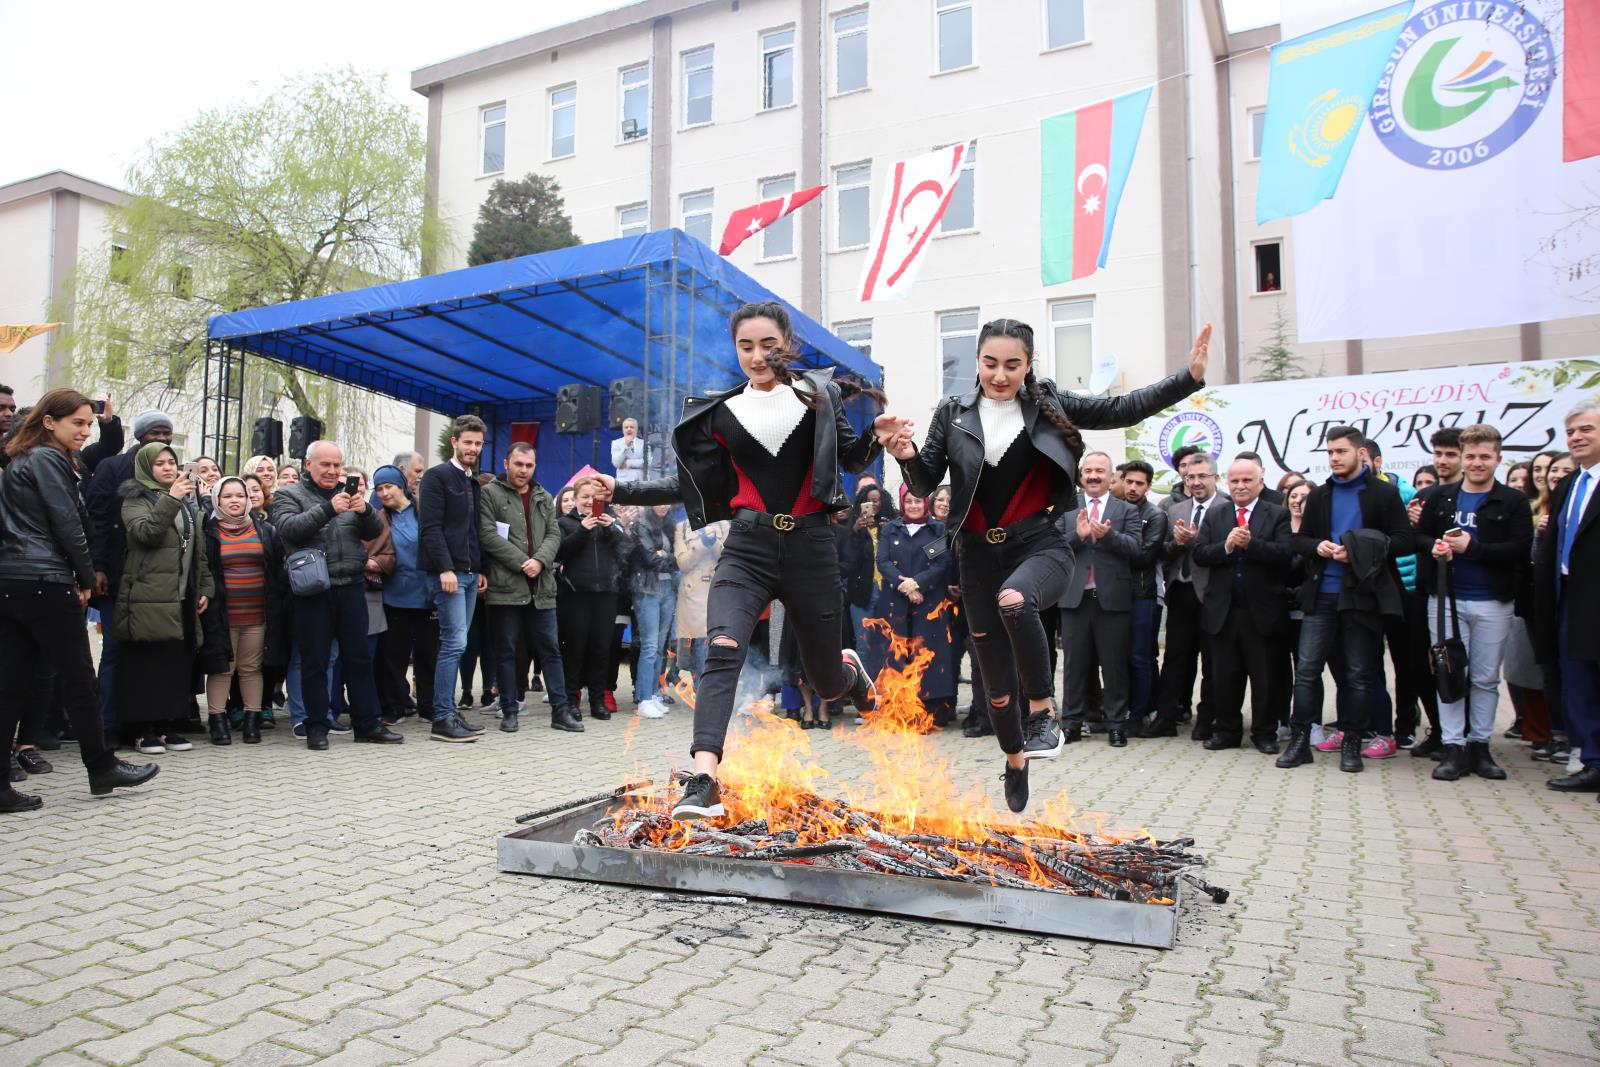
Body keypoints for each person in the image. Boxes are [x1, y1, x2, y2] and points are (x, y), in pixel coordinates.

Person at [885, 317, 1210, 812]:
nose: (1000, 375)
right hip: (975, 556)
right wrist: (906, 455)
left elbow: (1121, 407)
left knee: (1015, 602)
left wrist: (1186, 378)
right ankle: (1015, 761)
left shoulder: (1049, 401)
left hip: (1040, 544)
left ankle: (1043, 713)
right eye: (990, 363)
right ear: (977, 361)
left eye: (1012, 365)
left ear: (1029, 364)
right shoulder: (952, 414)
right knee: (995, 688)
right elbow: (926, 482)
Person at [600, 300, 890, 821]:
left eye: (767, 345)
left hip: (812, 550)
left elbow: (850, 458)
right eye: (745, 346)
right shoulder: (720, 413)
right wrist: (620, 486)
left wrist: (879, 437)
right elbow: (686, 486)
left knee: (824, 682)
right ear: (736, 349)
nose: (756, 356)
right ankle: (705, 777)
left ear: (786, 343)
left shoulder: (818, 397)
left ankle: (846, 669)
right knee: (723, 648)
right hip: (748, 547)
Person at [0, 390, 159, 811]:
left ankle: (1, 785)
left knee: (11, 683)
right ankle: (101, 765)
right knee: (78, 678)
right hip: (44, 578)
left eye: (90, 423)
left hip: (13, 579)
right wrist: (87, 578)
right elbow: (67, 522)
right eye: (78, 423)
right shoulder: (48, 460)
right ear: (49, 422)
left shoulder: (21, 459)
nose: (85, 431)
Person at [1276, 425, 1411, 773]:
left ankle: (1352, 741)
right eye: (1330, 452)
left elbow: (1403, 539)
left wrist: (1360, 550)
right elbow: (1300, 539)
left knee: (1358, 674)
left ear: (1360, 453)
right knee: (1306, 670)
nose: (1334, 458)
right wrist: (1316, 546)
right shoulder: (1320, 495)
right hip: (1321, 594)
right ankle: (1301, 741)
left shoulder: (1383, 494)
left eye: (1341, 452)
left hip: (1362, 597)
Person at [1413, 424, 1530, 781]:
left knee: (1484, 678)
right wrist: (1432, 547)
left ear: (1497, 458)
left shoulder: (1512, 501)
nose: (1477, 463)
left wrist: (1473, 548)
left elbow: (1519, 550)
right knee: (1448, 673)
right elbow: (1418, 535)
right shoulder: (1439, 496)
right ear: (1462, 458)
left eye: (1485, 457)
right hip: (1445, 600)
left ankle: (1480, 745)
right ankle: (1453, 746)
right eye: (1471, 456)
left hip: (1492, 602)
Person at [269, 441, 403, 751]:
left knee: (359, 658)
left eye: (336, 465)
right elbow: (289, 529)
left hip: (351, 584)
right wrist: (330, 509)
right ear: (308, 464)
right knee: (315, 661)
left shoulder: (350, 492)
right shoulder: (288, 495)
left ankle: (367, 724)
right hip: (313, 589)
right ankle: (317, 726)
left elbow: (372, 532)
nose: (332, 471)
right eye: (325, 465)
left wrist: (365, 509)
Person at [115, 442, 211, 755]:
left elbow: (197, 549)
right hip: (148, 595)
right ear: (146, 468)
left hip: (181, 594)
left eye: (172, 461)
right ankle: (142, 731)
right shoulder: (135, 498)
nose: (169, 468)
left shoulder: (184, 501)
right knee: (147, 664)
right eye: (160, 464)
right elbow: (146, 534)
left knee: (174, 662)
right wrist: (170, 499)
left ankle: (166, 725)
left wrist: (204, 588)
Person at [1192, 456, 1294, 752]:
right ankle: (1227, 732)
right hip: (1223, 611)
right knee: (1225, 677)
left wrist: (1252, 545)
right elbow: (1200, 554)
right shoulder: (1218, 514)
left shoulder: (1276, 514)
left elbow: (1285, 555)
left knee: (1264, 677)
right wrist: (1226, 546)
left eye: (1247, 480)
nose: (1240, 486)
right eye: (1235, 480)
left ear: (1260, 482)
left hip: (1261, 612)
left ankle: (1264, 733)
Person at [84, 407, 175, 735]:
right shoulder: (112, 467)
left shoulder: (171, 474)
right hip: (118, 575)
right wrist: (97, 567)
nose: (162, 439)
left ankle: (148, 722)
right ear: (140, 436)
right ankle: (107, 725)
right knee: (114, 652)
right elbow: (95, 519)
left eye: (167, 434)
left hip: (158, 584)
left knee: (151, 656)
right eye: (155, 433)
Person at [480, 443, 579, 733]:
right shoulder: (489, 494)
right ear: (506, 463)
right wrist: (524, 562)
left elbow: (553, 533)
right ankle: (509, 711)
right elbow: (487, 535)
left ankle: (561, 712)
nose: (523, 470)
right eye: (518, 464)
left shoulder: (543, 495)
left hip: (542, 587)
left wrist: (540, 561)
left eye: (529, 465)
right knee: (507, 650)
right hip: (506, 586)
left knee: (550, 650)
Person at [1055, 452, 1143, 745]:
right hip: (1074, 599)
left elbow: (1136, 549)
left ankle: (1117, 723)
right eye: (1088, 471)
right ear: (1080, 476)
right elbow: (1052, 547)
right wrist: (1078, 536)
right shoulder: (1066, 509)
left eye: (1100, 471)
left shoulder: (1126, 510)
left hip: (1112, 600)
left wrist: (1109, 537)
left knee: (1114, 664)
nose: (1094, 476)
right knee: (1075, 667)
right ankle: (1071, 724)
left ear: (1111, 477)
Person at [1534, 405, 1600, 792]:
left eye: (1586, 429)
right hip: (1567, 597)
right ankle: (1592, 761)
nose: (1576, 437)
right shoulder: (1569, 483)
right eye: (1571, 431)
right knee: (1578, 682)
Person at [417, 415, 489, 743]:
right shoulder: (436, 477)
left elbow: (474, 532)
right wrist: (445, 568)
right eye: (468, 442)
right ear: (455, 442)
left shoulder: (472, 481)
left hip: (471, 575)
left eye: (478, 444)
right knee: (454, 643)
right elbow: (430, 528)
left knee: (458, 644)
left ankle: (448, 710)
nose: (473, 448)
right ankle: (442, 717)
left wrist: (480, 569)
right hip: (449, 575)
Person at [199, 477, 285, 746]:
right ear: (217, 500)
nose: (234, 501)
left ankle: (252, 720)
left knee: (250, 668)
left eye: (240, 495)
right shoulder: (208, 532)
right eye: (227, 496)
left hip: (257, 614)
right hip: (222, 615)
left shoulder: (266, 530)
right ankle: (217, 720)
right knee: (223, 668)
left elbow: (276, 570)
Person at [1143, 455, 1222, 738]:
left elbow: (1224, 550)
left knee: (1212, 661)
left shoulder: (1226, 508)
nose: (1196, 482)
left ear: (1215, 477)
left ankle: (1206, 720)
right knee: (1175, 658)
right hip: (1180, 591)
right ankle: (1165, 718)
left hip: (1213, 594)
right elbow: (1162, 551)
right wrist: (1177, 543)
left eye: (1202, 476)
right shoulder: (1176, 509)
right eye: (1190, 477)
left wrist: (1195, 540)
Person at [874, 489, 956, 724]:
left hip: (928, 602)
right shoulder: (891, 528)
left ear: (925, 503)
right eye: (908, 501)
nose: (912, 506)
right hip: (896, 602)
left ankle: (927, 714)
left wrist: (918, 583)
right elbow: (883, 561)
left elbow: (942, 563)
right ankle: (896, 713)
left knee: (926, 656)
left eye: (917, 501)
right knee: (896, 656)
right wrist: (906, 586)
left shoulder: (937, 530)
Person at [558, 477, 630, 720]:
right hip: (576, 595)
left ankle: (597, 701)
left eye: (595, 498)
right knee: (575, 649)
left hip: (607, 594)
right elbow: (560, 551)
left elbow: (627, 550)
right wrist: (582, 530)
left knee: (601, 649)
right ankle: (571, 700)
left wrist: (611, 528)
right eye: (585, 497)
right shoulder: (565, 523)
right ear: (576, 500)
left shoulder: (610, 522)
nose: (590, 502)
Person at [370, 465, 437, 724]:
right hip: (394, 596)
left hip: (427, 595)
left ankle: (429, 707)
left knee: (428, 655)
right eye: (379, 489)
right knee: (393, 657)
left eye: (389, 487)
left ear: (402, 486)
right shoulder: (378, 518)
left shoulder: (424, 510)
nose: (385, 493)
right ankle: (395, 706)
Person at [1118, 461, 1168, 728]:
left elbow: (1145, 556)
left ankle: (1141, 712)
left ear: (1148, 486)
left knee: (1141, 656)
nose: (1133, 487)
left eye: (1139, 483)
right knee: (1121, 656)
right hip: (1116, 594)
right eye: (1129, 481)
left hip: (1143, 594)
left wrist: (1112, 539)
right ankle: (1125, 709)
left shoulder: (1155, 515)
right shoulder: (1115, 509)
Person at [629, 503, 679, 717]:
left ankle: (653, 694)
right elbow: (649, 559)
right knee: (649, 646)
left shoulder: (670, 525)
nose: (663, 505)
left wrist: (664, 555)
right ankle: (643, 699)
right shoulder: (640, 525)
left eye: (667, 501)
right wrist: (667, 556)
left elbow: (678, 560)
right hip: (647, 589)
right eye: (659, 501)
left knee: (660, 646)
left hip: (668, 587)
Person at [674, 516, 728, 680]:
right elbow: (683, 564)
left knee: (716, 647)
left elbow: (728, 559)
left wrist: (714, 542)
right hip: (691, 598)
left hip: (717, 593)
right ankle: (698, 693)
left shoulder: (725, 525)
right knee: (695, 651)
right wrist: (702, 543)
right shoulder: (682, 527)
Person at [612, 417, 647, 485]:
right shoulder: (616, 443)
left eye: (631, 427)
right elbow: (616, 463)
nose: (629, 429)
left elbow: (647, 462)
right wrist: (626, 446)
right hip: (623, 482)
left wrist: (628, 463)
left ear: (636, 430)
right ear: (623, 430)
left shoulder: (644, 443)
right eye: (626, 427)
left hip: (641, 482)